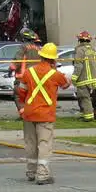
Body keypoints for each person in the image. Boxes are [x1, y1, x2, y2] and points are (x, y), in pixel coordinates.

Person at [15, 42, 69, 184]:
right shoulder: (55, 75)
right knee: (44, 144)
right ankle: (42, 175)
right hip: (45, 115)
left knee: (31, 144)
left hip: (29, 113)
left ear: (41, 56)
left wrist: (22, 106)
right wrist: (55, 69)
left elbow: (21, 92)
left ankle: (31, 172)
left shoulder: (29, 72)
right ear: (53, 59)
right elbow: (66, 84)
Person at [70, 30, 96, 122]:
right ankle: (86, 114)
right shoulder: (94, 49)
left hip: (84, 79)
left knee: (84, 98)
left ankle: (88, 117)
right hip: (94, 78)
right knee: (87, 98)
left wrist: (74, 78)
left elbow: (78, 66)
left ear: (80, 40)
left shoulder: (80, 50)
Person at [9, 30, 42, 113]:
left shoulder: (23, 47)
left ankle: (23, 114)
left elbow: (17, 60)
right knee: (32, 95)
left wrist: (11, 69)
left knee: (18, 95)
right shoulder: (38, 48)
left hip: (23, 76)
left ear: (24, 38)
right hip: (36, 77)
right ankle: (33, 112)